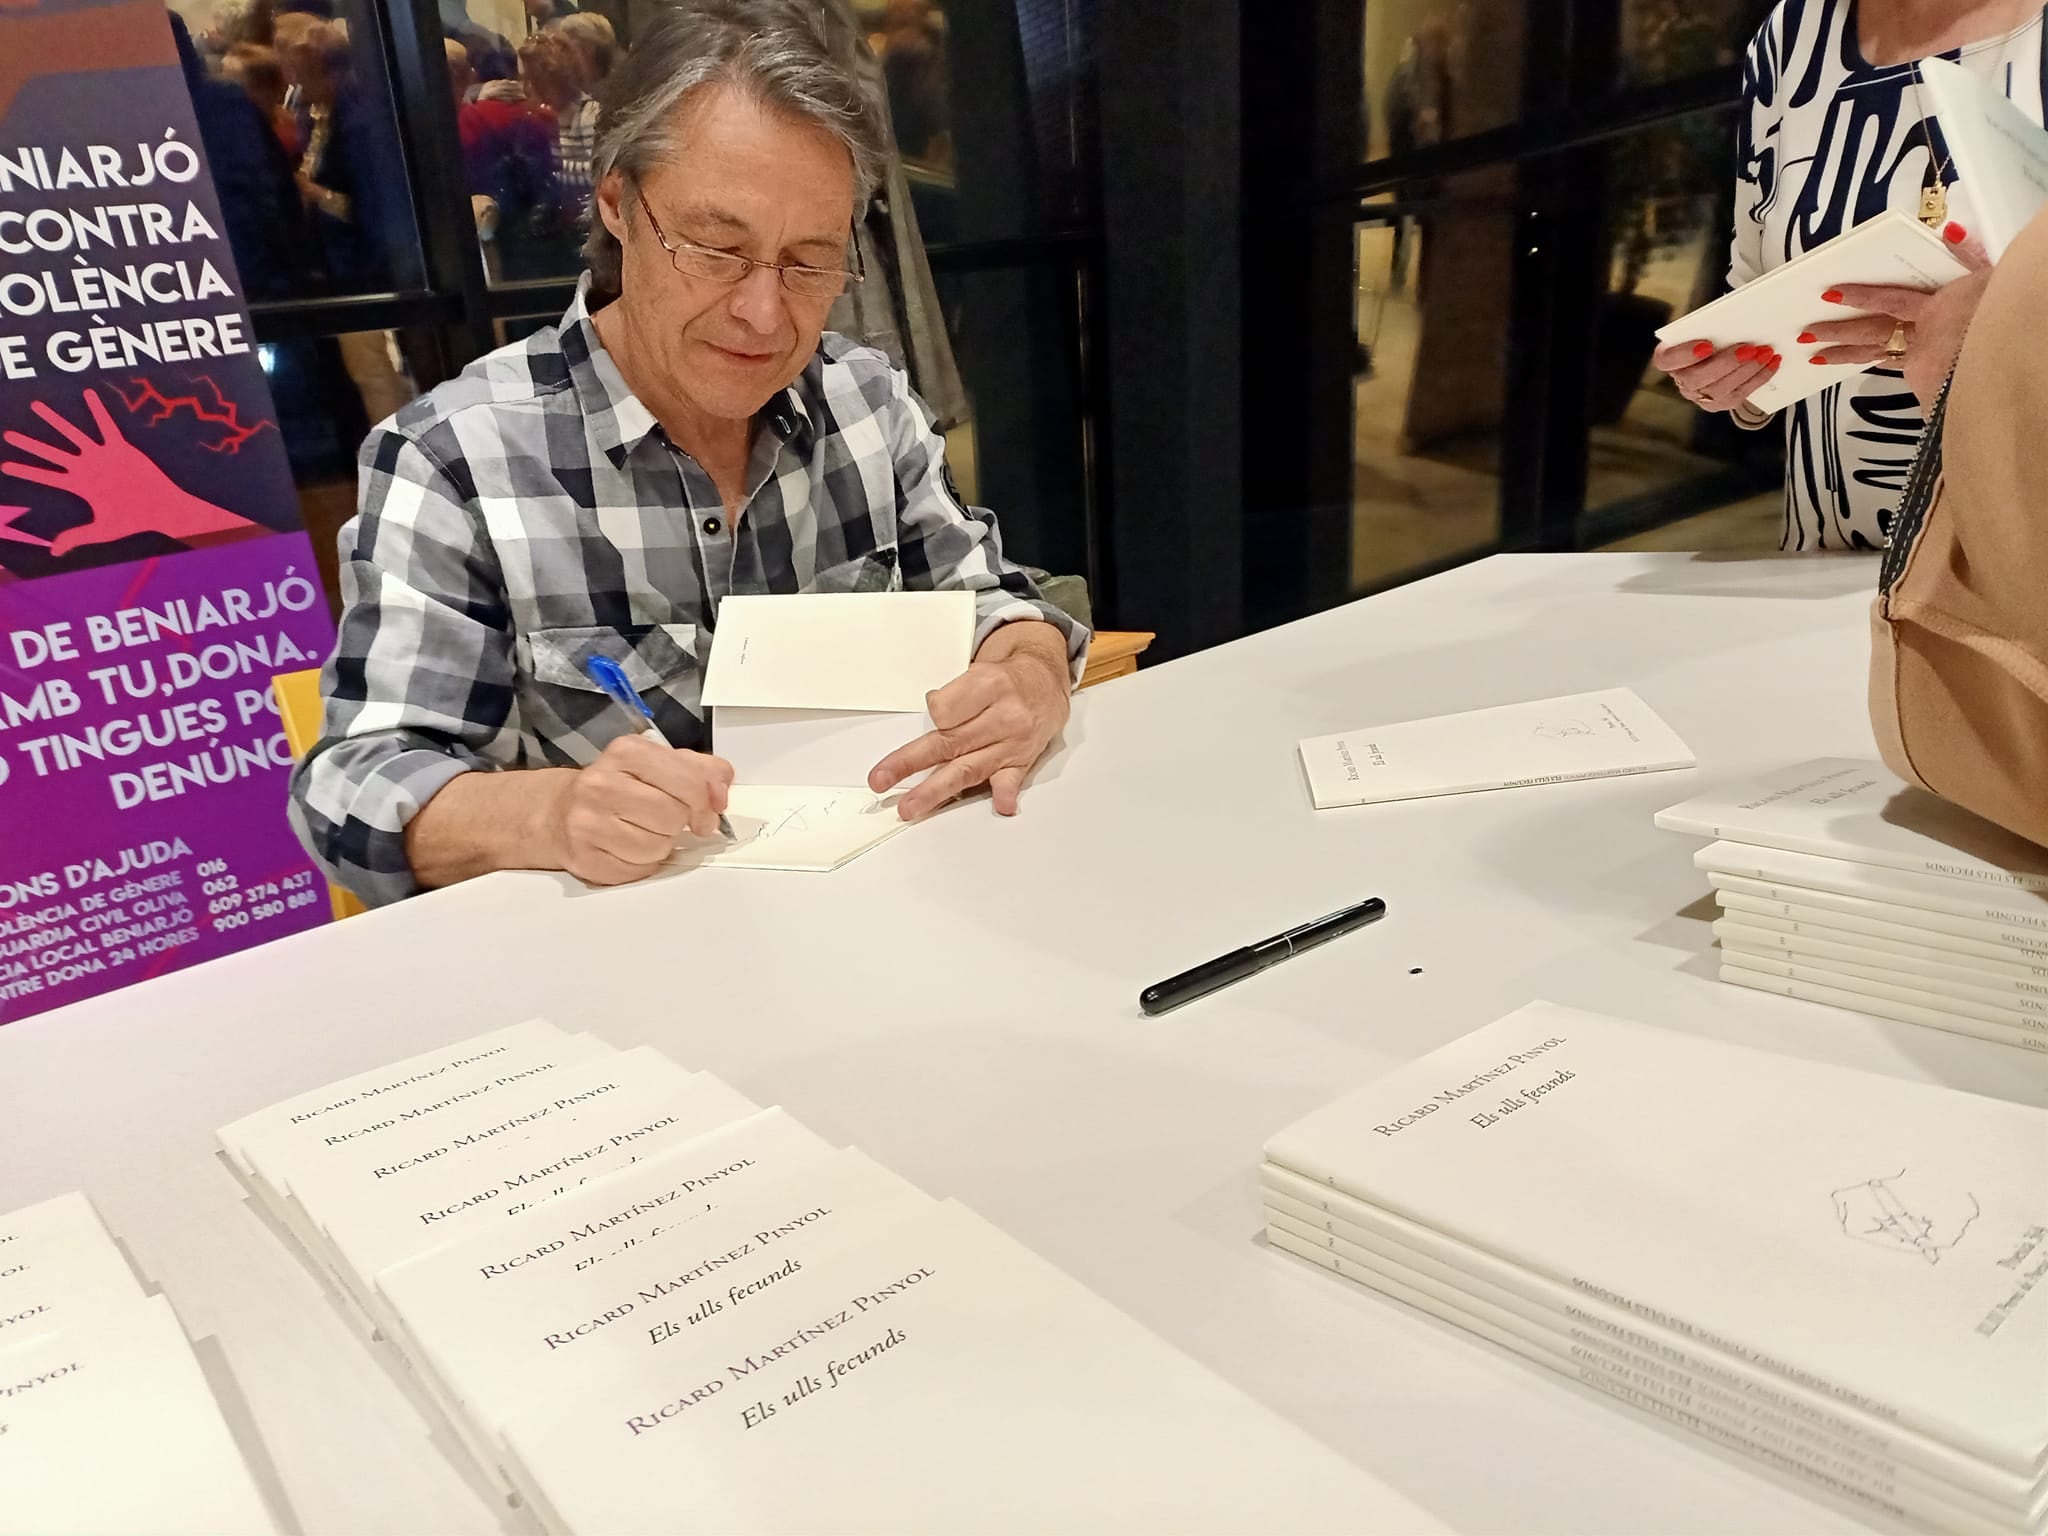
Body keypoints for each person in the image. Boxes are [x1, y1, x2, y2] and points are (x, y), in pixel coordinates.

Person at [289, 0, 1085, 907]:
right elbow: (354, 787)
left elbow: (991, 597)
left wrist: (1027, 672)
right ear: (619, 204)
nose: (764, 312)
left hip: (880, 921)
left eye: (810, 262)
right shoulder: (456, 457)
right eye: (716, 247)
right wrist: (555, 815)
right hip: (610, 987)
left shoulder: (864, 400)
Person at [1652, 0, 2044, 551]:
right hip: (1831, 546)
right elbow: (1755, 281)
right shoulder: (1794, 34)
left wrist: (2007, 317)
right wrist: (1729, 377)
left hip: (2017, 567)